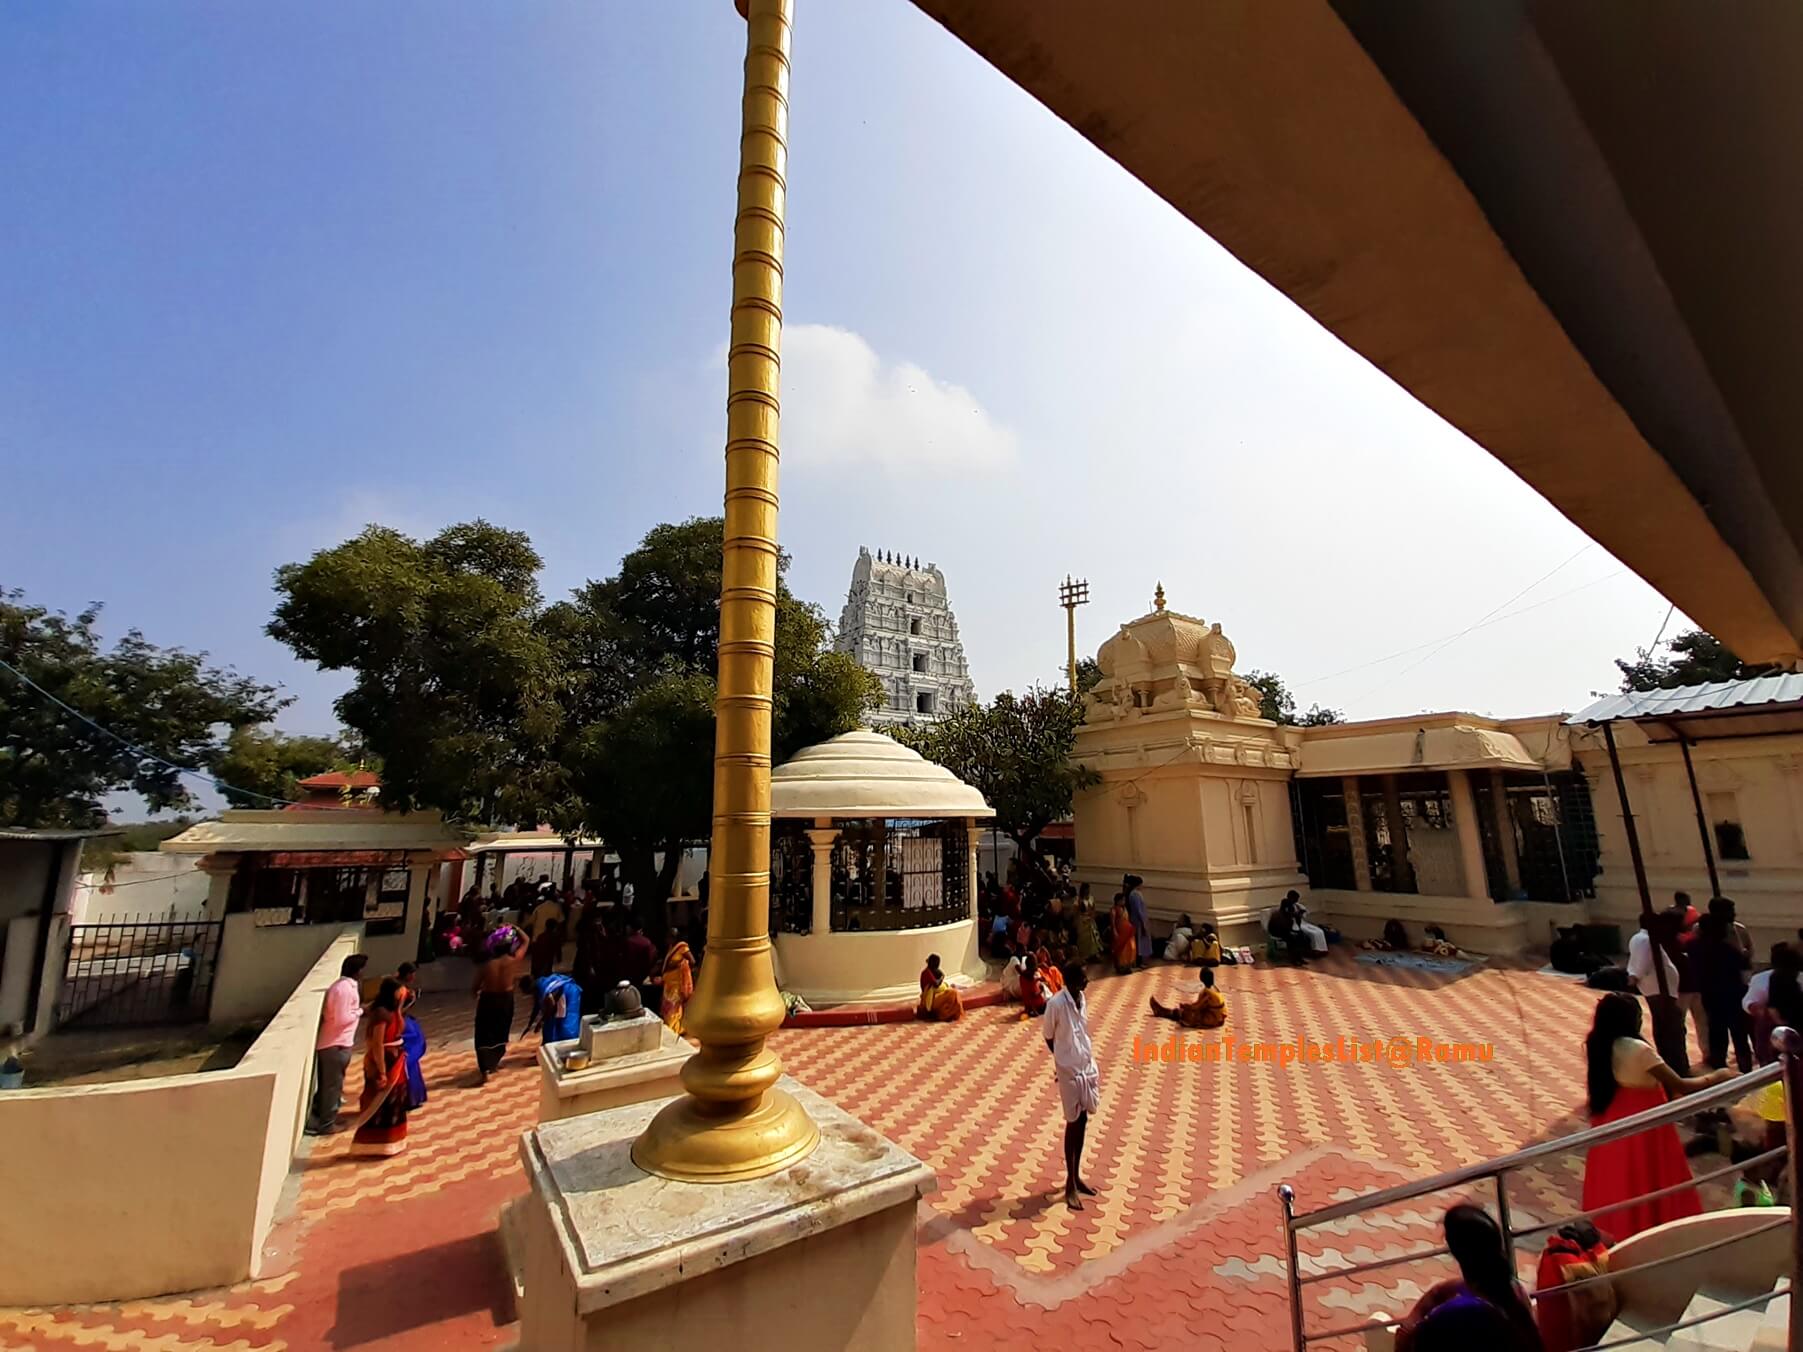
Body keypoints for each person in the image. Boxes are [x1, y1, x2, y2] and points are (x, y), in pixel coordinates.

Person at [1580, 991, 1733, 1239]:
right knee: (1649, 1180)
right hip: (1646, 1122)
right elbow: (1681, 1085)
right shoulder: (1639, 1050)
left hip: (1613, 1119)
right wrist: (1718, 1076)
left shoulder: (1600, 1043)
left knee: (1619, 1183)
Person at [1394, 1204, 1542, 1352]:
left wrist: (1405, 1333)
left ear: (1453, 1248)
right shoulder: (1515, 1292)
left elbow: (1409, 1344)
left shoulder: (1457, 1313)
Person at [1043, 961, 1099, 1211]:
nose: (1086, 983)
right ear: (1070, 980)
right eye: (1082, 979)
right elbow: (1048, 1036)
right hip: (1068, 1072)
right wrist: (1062, 1060)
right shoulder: (1055, 1004)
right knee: (1072, 1122)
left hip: (1086, 1067)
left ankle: (1076, 1176)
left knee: (1083, 1120)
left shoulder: (1082, 999)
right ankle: (1069, 1183)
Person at [305, 953, 369, 1136]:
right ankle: (327, 1124)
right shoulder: (343, 990)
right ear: (358, 971)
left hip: (337, 1042)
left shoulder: (343, 987)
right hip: (335, 1044)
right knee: (332, 1086)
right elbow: (341, 1019)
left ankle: (323, 1116)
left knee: (330, 1085)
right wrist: (359, 1012)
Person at [348, 978, 410, 1157]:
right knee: (380, 1104)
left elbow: (400, 1028)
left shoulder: (394, 1012)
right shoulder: (381, 1014)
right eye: (400, 993)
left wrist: (401, 1006)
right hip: (383, 1062)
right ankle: (374, 1144)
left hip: (397, 1061)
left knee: (395, 1103)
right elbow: (377, 1044)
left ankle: (393, 1142)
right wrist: (382, 1071)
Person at [1694, 904, 1754, 1072]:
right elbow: (1744, 963)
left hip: (1711, 996)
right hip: (1732, 996)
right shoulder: (1728, 950)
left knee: (1717, 1035)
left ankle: (1720, 1071)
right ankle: (1745, 1072)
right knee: (1739, 1036)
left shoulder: (1696, 947)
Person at [1628, 910, 1689, 1074]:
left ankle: (1673, 1063)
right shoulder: (1647, 940)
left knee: (1664, 1025)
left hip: (1657, 987)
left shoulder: (1639, 938)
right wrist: (1632, 979)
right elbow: (1641, 964)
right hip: (1659, 988)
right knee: (1670, 1026)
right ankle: (1677, 1066)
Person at [472, 924, 526, 1083]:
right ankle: (493, 1063)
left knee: (483, 1032)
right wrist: (515, 927)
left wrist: (475, 994)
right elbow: (526, 940)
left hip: (488, 999)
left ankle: (484, 1069)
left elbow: (474, 988)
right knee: (500, 1030)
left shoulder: (486, 965)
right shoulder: (514, 960)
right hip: (506, 999)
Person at [395, 961, 428, 1111]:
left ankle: (413, 1096)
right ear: (408, 974)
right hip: (404, 1027)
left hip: (407, 1023)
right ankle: (408, 1097)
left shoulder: (398, 987)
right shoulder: (401, 990)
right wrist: (411, 1001)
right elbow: (397, 1011)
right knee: (408, 1061)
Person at [1150, 967, 1227, 1028]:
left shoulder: (1207, 993)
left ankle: (1161, 1012)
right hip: (1218, 1017)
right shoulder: (1215, 988)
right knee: (1184, 1011)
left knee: (1183, 1014)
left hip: (1213, 1019)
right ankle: (1163, 1011)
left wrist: (1187, 1007)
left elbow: (1197, 1007)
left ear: (1201, 978)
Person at [529, 971, 584, 1044]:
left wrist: (542, 1021)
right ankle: (553, 1043)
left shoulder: (542, 987)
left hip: (566, 993)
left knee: (565, 1022)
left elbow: (551, 1004)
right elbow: (537, 1007)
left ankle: (565, 1044)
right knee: (556, 1020)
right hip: (568, 992)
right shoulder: (541, 983)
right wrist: (530, 1024)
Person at [622, 919, 660, 1013]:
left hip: (630, 980)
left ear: (630, 928)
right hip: (644, 979)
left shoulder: (627, 942)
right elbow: (652, 959)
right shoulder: (647, 942)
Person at [659, 939, 694, 1036]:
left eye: (671, 935)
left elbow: (692, 961)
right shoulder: (671, 947)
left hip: (676, 984)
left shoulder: (682, 947)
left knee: (673, 1007)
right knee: (667, 1007)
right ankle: (672, 1027)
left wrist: (680, 965)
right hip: (668, 984)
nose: (669, 936)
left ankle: (673, 1028)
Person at [917, 954, 964, 1022]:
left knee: (953, 995)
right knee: (953, 993)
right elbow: (936, 984)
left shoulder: (934, 971)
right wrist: (941, 977)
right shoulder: (927, 972)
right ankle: (945, 1015)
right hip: (929, 999)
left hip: (936, 996)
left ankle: (950, 1014)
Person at [1282, 890, 1329, 955]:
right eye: (1296, 899)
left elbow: (1304, 914)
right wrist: (1296, 914)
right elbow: (1287, 915)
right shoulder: (1285, 904)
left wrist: (1302, 912)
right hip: (1294, 924)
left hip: (1302, 922)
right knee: (1313, 933)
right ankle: (1315, 950)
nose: (1297, 900)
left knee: (1319, 931)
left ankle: (1323, 949)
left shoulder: (1297, 905)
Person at [1268, 899, 1310, 964]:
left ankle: (1300, 957)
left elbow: (1292, 924)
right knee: (1293, 940)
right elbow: (1282, 927)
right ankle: (1294, 959)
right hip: (1277, 932)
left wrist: (1298, 916)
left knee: (1302, 936)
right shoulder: (1278, 914)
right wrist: (1291, 931)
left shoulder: (1287, 913)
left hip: (1285, 931)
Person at [1123, 875, 1151, 969]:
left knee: (1141, 939)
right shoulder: (1134, 895)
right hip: (1138, 921)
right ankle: (1139, 960)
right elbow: (1138, 910)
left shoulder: (1137, 894)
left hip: (1140, 919)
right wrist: (1143, 922)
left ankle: (1141, 959)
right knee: (1139, 940)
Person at [530, 916, 564, 982]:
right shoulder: (555, 937)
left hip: (537, 960)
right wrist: (559, 959)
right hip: (546, 961)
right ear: (555, 927)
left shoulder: (541, 935)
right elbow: (558, 950)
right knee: (545, 976)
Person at [1110, 893, 1136, 975]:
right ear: (1118, 900)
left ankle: (1127, 966)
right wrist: (1114, 931)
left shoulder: (1124, 908)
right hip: (1120, 932)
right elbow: (1112, 922)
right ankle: (1120, 968)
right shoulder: (1113, 910)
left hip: (1128, 932)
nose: (1124, 901)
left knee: (1130, 948)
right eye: (1122, 900)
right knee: (1121, 951)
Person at [1019, 953, 1047, 1017]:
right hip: (1037, 1006)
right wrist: (1041, 990)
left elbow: (1027, 989)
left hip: (1027, 1004)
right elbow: (1034, 994)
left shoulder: (1022, 976)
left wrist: (1038, 979)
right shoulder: (1031, 978)